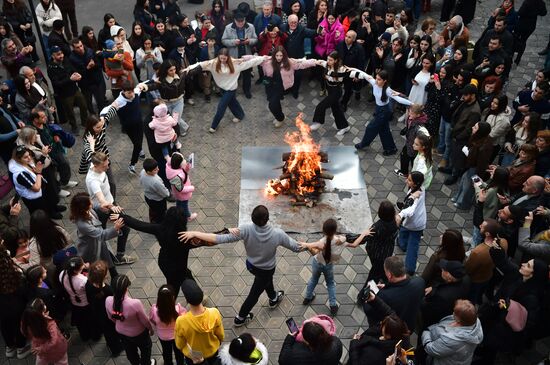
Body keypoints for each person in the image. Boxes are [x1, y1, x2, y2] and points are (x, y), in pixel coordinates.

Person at [180, 205, 302, 326]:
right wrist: (314, 245)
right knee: (254, 294)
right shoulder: (278, 234)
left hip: (251, 266)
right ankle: (241, 318)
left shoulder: (245, 229)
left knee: (265, 281)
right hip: (267, 269)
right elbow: (296, 247)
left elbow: (218, 239)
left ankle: (273, 298)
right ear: (268, 218)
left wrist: (196, 233)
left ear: (252, 218)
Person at [112, 207, 198, 297]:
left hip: (164, 262)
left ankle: (195, 297)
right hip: (178, 266)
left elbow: (139, 225)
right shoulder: (186, 238)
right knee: (174, 287)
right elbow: (209, 240)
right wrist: (197, 234)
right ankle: (173, 305)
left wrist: (122, 217)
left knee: (184, 275)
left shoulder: (160, 229)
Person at [186, 50, 267, 133]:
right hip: (222, 88)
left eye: (224, 58)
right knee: (232, 102)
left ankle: (213, 126)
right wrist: (188, 68)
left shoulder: (236, 64)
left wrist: (263, 58)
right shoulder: (213, 63)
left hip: (231, 89)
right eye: (221, 58)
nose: (222, 60)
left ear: (228, 57)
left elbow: (251, 62)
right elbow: (201, 64)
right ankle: (240, 115)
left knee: (221, 106)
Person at [85, 152, 134, 265]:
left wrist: (92, 143)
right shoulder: (93, 181)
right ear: (96, 166)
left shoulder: (94, 163)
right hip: (102, 209)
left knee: (103, 233)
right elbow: (101, 199)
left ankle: (104, 253)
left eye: (108, 164)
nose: (107, 167)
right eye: (105, 166)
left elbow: (92, 154)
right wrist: (112, 206)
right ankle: (117, 257)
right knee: (124, 228)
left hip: (111, 203)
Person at [351, 69, 413, 155]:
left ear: (385, 81)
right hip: (379, 109)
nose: (376, 80)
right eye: (376, 78)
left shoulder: (387, 90)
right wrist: (351, 69)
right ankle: (391, 149)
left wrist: (412, 104)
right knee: (384, 129)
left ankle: (364, 144)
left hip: (384, 111)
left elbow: (398, 99)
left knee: (371, 127)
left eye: (379, 79)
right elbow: (364, 74)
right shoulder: (374, 83)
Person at [300, 218, 352, 315]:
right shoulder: (339, 241)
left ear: (323, 230)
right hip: (328, 266)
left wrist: (304, 244)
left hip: (317, 263)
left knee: (313, 279)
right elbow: (348, 240)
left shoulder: (321, 241)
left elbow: (311, 245)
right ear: (335, 231)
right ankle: (332, 305)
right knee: (330, 284)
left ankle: (308, 297)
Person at [362, 256, 425, 332]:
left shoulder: (384, 296)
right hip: (410, 324)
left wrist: (369, 299)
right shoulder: (419, 282)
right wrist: (387, 286)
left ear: (389, 275)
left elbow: (368, 310)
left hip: (392, 329)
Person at [106, 275, 156, 365]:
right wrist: (151, 329)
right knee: (146, 349)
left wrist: (120, 324)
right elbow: (145, 321)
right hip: (139, 334)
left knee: (130, 352)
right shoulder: (134, 303)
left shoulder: (108, 301)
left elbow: (111, 318)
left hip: (121, 333)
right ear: (126, 289)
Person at [349, 292, 410, 365]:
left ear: (388, 335)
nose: (380, 324)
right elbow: (389, 312)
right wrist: (374, 299)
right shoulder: (401, 330)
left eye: (383, 326)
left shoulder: (375, 355)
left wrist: (354, 343)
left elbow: (355, 362)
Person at [261, 46, 316, 127]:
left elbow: (301, 64)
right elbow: (254, 60)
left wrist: (315, 62)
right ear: (274, 55)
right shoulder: (267, 61)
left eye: (281, 56)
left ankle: (280, 118)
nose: (279, 58)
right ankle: (279, 116)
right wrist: (241, 60)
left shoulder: (289, 62)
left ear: (284, 55)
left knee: (272, 105)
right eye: (277, 55)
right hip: (269, 86)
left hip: (279, 87)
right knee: (274, 103)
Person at [348, 200, 399, 286]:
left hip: (376, 254)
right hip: (387, 251)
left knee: (373, 275)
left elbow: (363, 239)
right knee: (382, 269)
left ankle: (365, 295)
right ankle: (384, 278)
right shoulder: (395, 222)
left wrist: (346, 237)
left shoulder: (377, 227)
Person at [175, 279, 224, 365]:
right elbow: (221, 335)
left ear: (187, 300)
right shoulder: (214, 312)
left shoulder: (181, 321)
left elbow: (179, 344)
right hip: (212, 351)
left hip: (194, 357)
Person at [421, 299, 483, 364]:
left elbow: (432, 349)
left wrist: (426, 332)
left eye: (455, 313)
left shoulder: (452, 340)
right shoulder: (472, 321)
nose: (453, 313)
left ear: (459, 320)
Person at [30, 109, 77, 194]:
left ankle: (64, 182)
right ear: (35, 119)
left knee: (64, 164)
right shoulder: (32, 130)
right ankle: (57, 190)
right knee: (52, 173)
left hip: (55, 149)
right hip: (46, 154)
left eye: (45, 116)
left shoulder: (44, 124)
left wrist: (56, 135)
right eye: (43, 117)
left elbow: (52, 130)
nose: (45, 118)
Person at [9, 145, 62, 218]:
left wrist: (44, 155)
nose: (29, 158)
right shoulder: (20, 174)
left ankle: (53, 209)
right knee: (41, 214)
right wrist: (39, 174)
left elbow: (37, 168)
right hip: (34, 199)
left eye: (29, 155)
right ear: (18, 159)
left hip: (40, 191)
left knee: (47, 201)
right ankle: (47, 220)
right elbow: (36, 188)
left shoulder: (24, 162)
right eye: (25, 157)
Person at [443, 84, 482, 186]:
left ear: (472, 95)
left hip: (461, 138)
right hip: (455, 132)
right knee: (452, 153)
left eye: (466, 95)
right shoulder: (466, 102)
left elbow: (469, 129)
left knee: (458, 158)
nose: (463, 97)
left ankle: (454, 175)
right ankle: (450, 168)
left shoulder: (475, 111)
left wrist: (457, 137)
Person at [85, 260, 124, 357]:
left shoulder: (88, 284)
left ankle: (110, 343)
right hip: (108, 314)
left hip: (97, 312)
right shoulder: (108, 290)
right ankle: (116, 349)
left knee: (107, 332)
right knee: (112, 332)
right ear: (105, 276)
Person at [464, 219, 508, 304]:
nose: (480, 226)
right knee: (480, 292)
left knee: (472, 296)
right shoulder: (504, 242)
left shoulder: (478, 252)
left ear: (487, 234)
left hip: (476, 279)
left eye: (482, 226)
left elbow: (468, 269)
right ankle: (479, 301)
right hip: (488, 275)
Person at [452, 121, 494, 210]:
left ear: (480, 131)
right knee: (464, 181)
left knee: (469, 188)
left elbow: (481, 163)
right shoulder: (479, 138)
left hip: (476, 170)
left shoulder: (484, 147)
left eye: (475, 127)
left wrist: (478, 177)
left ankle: (463, 204)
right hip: (471, 167)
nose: (472, 128)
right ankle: (458, 198)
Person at [47, 45, 88, 134]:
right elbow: (56, 83)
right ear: (53, 56)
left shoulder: (66, 60)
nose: (61, 56)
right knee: (70, 112)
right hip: (65, 94)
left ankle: (84, 122)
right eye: (58, 54)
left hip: (74, 89)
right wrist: (70, 79)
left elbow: (73, 70)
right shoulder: (51, 68)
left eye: (61, 53)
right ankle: (74, 126)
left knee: (84, 105)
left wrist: (77, 74)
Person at [420, 259, 471, 331]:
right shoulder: (466, 279)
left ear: (448, 275)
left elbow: (427, 310)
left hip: (435, 321)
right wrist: (433, 288)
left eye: (444, 270)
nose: (442, 269)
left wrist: (422, 299)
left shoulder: (441, 296)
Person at [309, 51, 351, 135]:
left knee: (321, 106)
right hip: (330, 90)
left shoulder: (341, 69)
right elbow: (317, 62)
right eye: (328, 59)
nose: (328, 61)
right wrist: (301, 61)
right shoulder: (326, 65)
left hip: (336, 92)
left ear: (336, 60)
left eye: (331, 60)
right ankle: (345, 127)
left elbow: (353, 73)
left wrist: (366, 77)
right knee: (336, 110)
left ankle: (318, 122)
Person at [0, 244, 30, 360]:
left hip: (2, 308)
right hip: (17, 306)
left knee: (4, 326)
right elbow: (23, 290)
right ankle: (21, 349)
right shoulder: (14, 272)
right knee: (19, 326)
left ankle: (9, 347)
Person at [28, 209, 71, 288]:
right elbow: (68, 240)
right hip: (64, 258)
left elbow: (34, 264)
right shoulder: (58, 230)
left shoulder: (34, 244)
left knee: (57, 282)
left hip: (50, 268)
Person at [112, 81, 147, 174]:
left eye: (132, 92)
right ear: (123, 91)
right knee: (136, 142)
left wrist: (143, 85)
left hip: (139, 123)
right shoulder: (119, 101)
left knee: (137, 143)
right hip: (128, 126)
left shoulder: (135, 92)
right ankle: (137, 154)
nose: (132, 94)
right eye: (129, 93)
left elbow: (141, 86)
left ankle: (132, 163)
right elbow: (109, 109)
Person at [20, 298, 68, 365]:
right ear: (41, 312)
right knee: (62, 362)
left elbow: (23, 331)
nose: (45, 305)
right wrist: (46, 317)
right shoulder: (50, 324)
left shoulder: (26, 323)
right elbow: (54, 341)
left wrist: (40, 348)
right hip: (57, 350)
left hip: (39, 349)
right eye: (43, 305)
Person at [396, 171, 427, 275]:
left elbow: (410, 210)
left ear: (416, 183)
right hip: (419, 223)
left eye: (409, 180)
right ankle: (410, 266)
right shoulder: (421, 188)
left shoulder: (415, 196)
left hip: (411, 222)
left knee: (410, 243)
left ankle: (409, 267)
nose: (406, 181)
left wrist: (400, 214)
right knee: (413, 244)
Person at [221, 12, 258, 99]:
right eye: (239, 22)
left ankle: (247, 90)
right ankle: (232, 91)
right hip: (234, 55)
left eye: (242, 21)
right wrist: (234, 42)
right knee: (233, 74)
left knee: (247, 74)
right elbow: (223, 40)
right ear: (235, 21)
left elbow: (255, 39)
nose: (241, 23)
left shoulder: (250, 26)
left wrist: (249, 41)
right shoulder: (228, 28)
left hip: (246, 54)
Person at [59, 256, 94, 341]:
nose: (84, 265)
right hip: (85, 304)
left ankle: (84, 336)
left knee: (80, 322)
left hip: (73, 303)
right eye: (82, 264)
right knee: (89, 321)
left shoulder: (62, 274)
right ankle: (92, 334)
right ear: (76, 270)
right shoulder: (83, 280)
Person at [278, 318, 343, 364]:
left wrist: (289, 338)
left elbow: (282, 360)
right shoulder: (336, 342)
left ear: (307, 341)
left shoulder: (297, 352)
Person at [149, 285, 186, 365]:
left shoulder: (154, 310)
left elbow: (152, 320)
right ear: (172, 298)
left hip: (163, 337)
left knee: (166, 351)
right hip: (177, 336)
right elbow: (184, 319)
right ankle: (180, 363)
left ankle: (168, 363)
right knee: (179, 352)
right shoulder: (178, 309)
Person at [69, 38, 106, 114]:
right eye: (78, 47)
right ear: (73, 48)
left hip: (96, 80)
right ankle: (92, 116)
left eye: (81, 46)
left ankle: (102, 116)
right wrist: (87, 68)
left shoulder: (90, 51)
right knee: (88, 103)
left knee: (100, 100)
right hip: (85, 84)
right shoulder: (72, 58)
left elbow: (99, 65)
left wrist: (94, 65)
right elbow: (76, 73)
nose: (81, 48)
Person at [394, 104, 429, 178]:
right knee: (404, 156)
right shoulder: (412, 118)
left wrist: (416, 145)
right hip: (409, 144)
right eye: (409, 112)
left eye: (411, 113)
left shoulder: (420, 126)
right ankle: (405, 173)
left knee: (413, 162)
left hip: (414, 148)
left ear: (418, 115)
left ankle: (413, 177)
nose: (409, 114)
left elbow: (423, 135)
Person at [165, 152, 197, 221]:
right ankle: (189, 216)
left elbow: (183, 172)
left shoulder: (173, 168)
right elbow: (181, 189)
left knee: (179, 203)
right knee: (185, 206)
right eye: (183, 160)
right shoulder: (176, 177)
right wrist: (191, 188)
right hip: (182, 195)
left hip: (178, 195)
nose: (184, 161)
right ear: (179, 164)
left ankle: (178, 213)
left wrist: (187, 167)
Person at [140, 158, 170, 223]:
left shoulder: (142, 172)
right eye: (155, 170)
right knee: (161, 215)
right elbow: (165, 193)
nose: (158, 169)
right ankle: (160, 226)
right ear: (148, 171)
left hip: (147, 197)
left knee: (152, 210)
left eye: (157, 167)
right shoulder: (156, 181)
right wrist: (168, 193)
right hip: (158, 201)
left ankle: (152, 221)